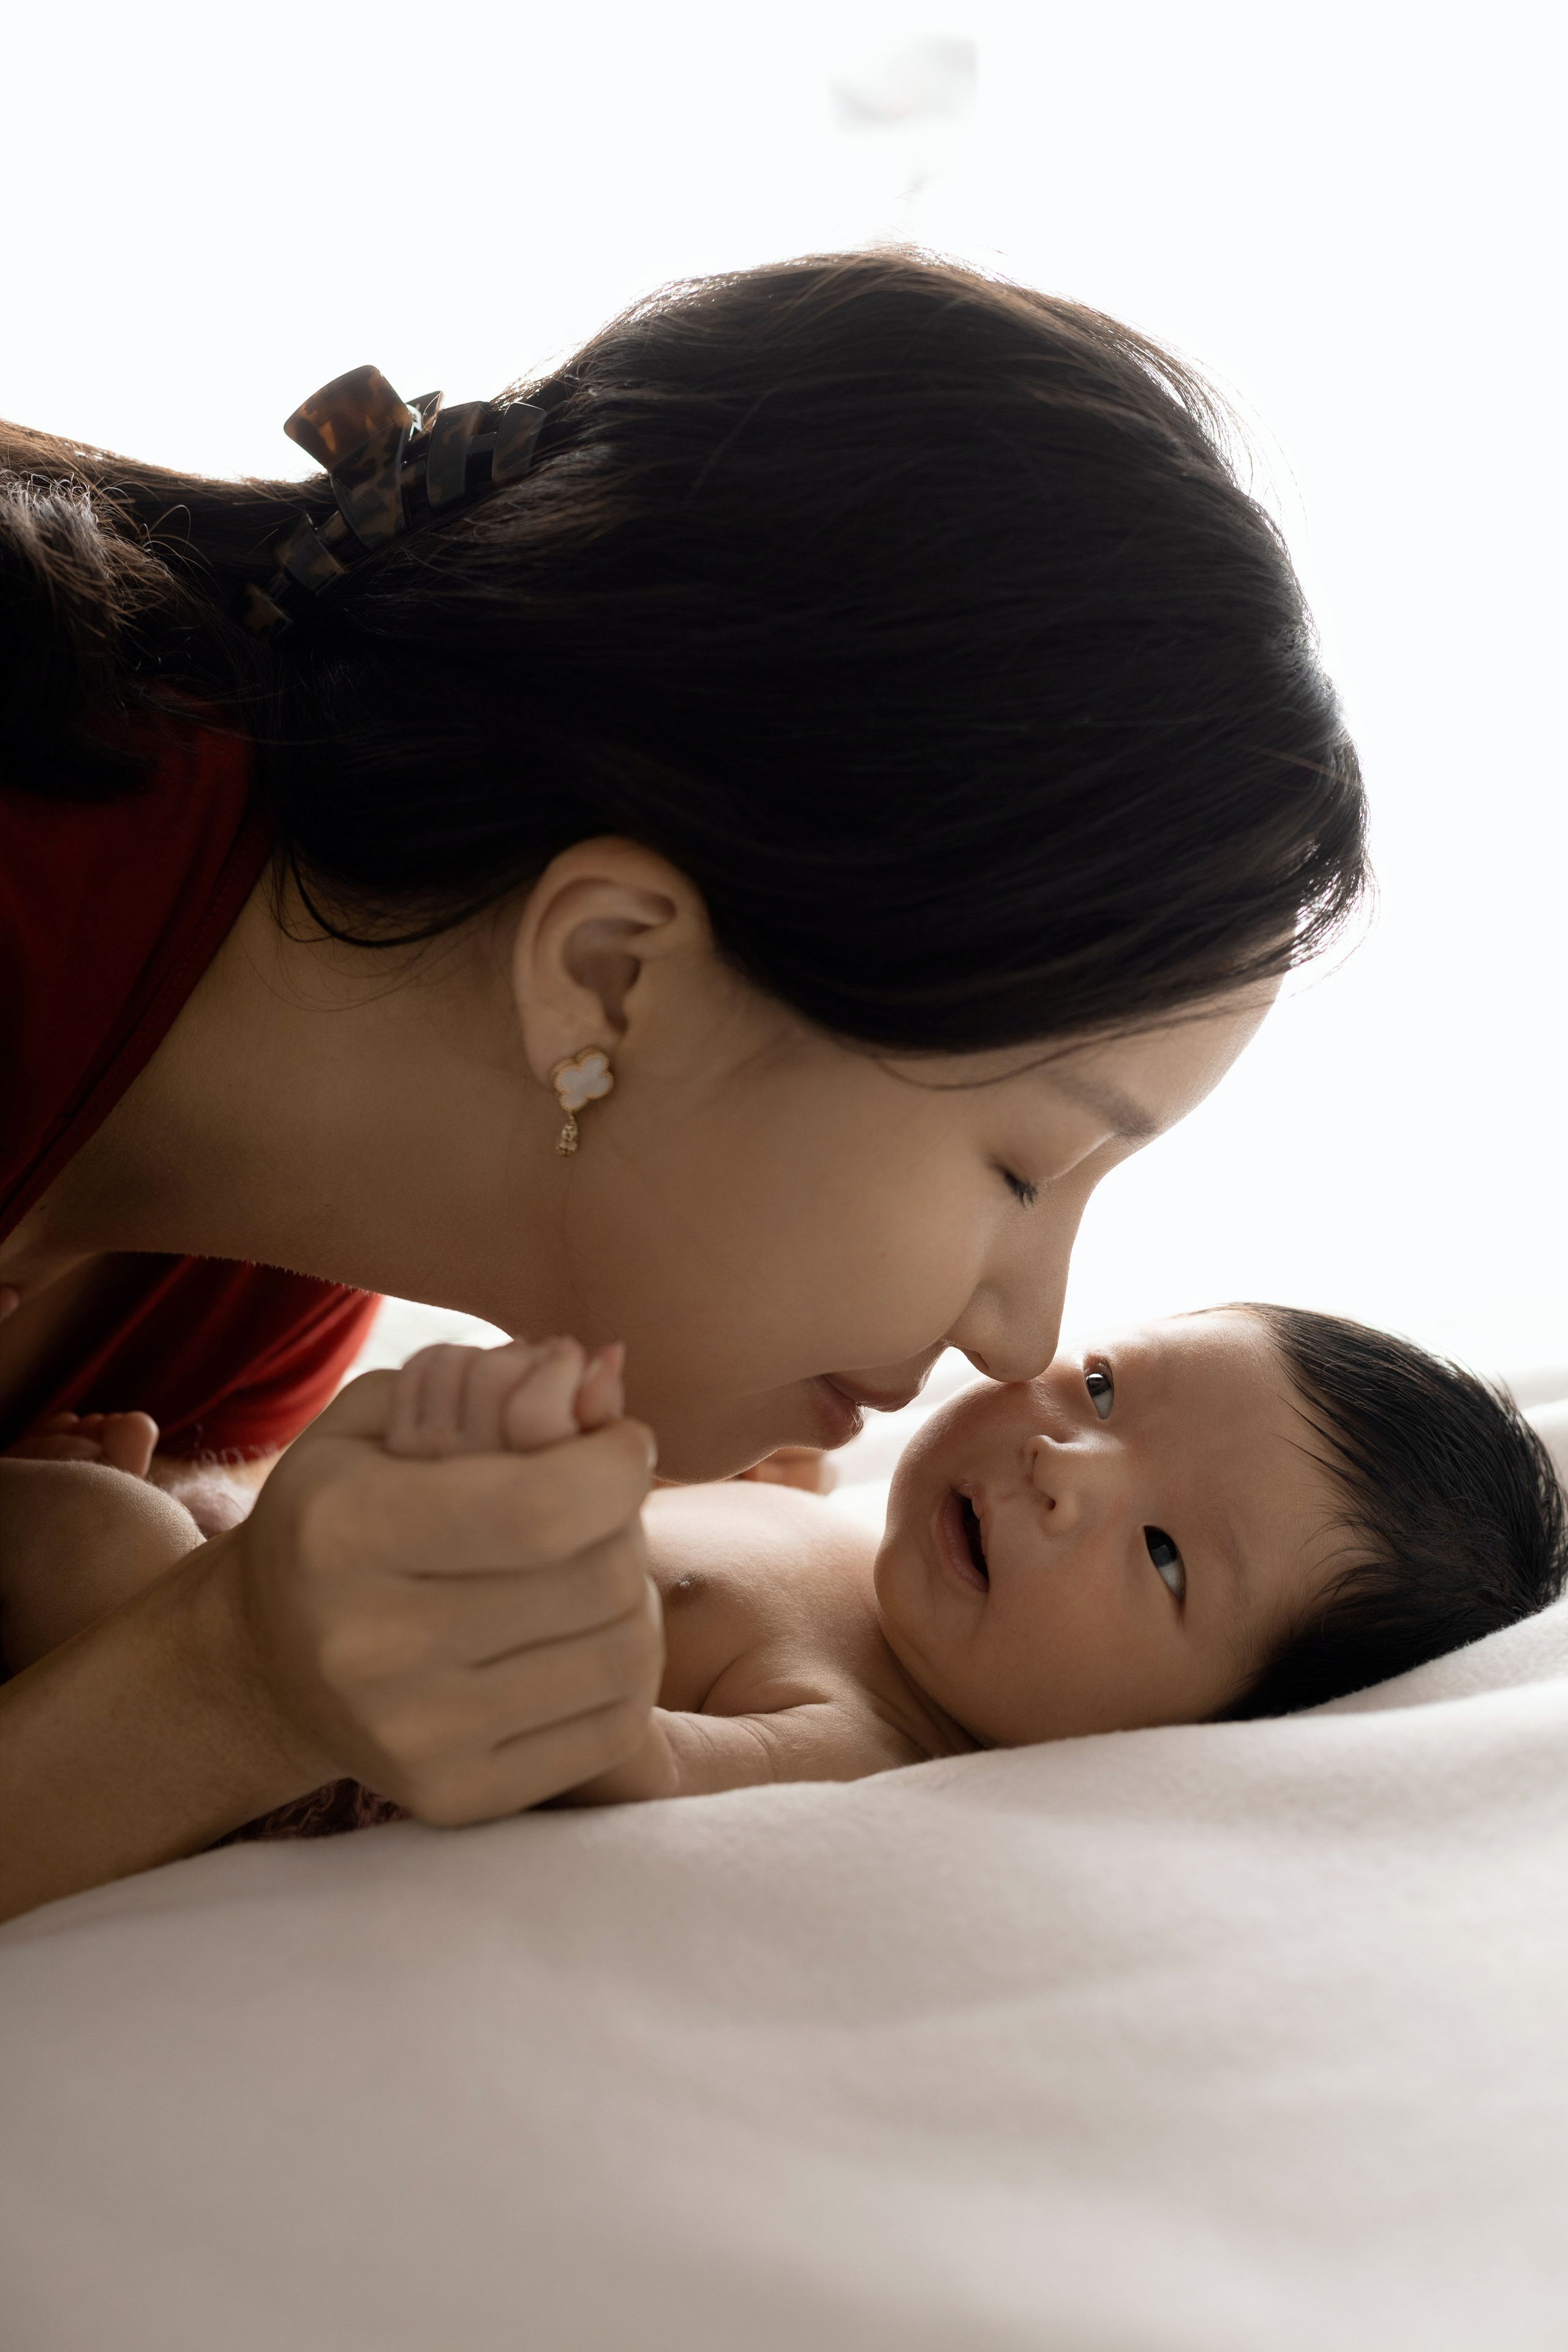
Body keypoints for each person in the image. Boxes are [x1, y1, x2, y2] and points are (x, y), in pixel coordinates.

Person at [0, 251, 1365, 1921]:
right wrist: (227, 1685)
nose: (1019, 1338)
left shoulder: (259, 1297)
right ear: (609, 975)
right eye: (1024, 1170)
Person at [7, 1316, 1559, 1807]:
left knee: (84, 1545)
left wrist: (604, 1669)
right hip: (271, 1548)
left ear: (1189, 1737)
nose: (1059, 1468)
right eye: (1099, 1389)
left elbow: (613, 1759)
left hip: (248, 1713)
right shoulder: (829, 1522)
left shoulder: (848, 1732)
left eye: (1161, 1557)